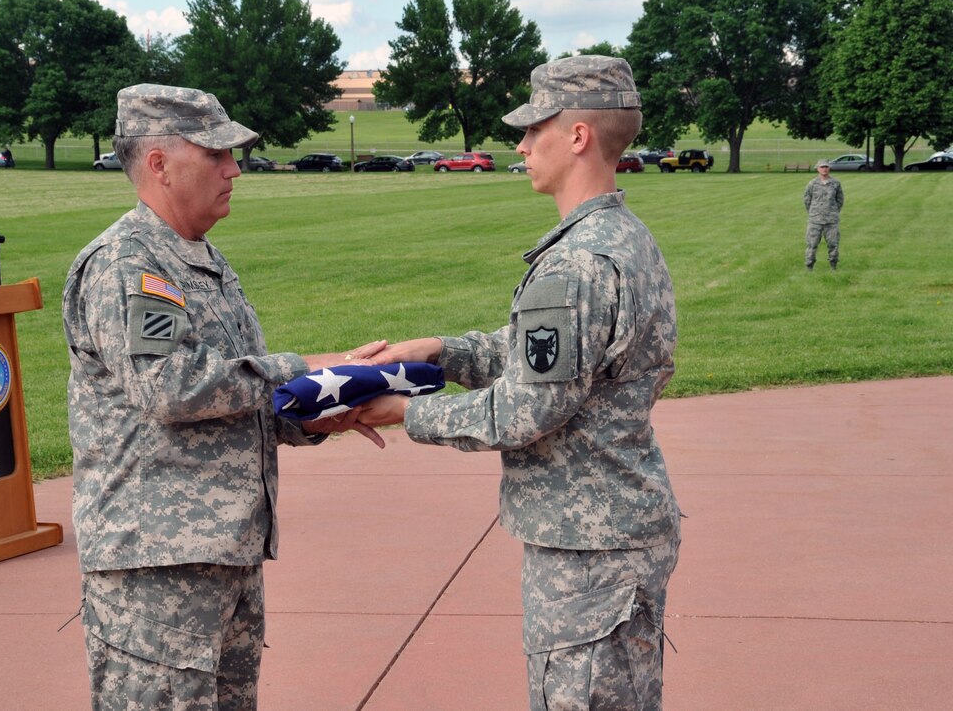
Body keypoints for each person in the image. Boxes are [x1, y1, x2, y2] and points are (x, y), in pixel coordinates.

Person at [355, 55, 682, 710]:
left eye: (536, 128)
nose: (522, 144)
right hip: (613, 531)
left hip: (587, 545)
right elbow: (541, 357)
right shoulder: (622, 238)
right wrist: (443, 353)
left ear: (579, 136)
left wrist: (406, 413)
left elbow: (527, 408)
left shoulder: (577, 264)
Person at [62, 83, 382, 710]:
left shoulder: (199, 259)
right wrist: (304, 365)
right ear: (158, 163)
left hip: (221, 553)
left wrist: (314, 413)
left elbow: (233, 389)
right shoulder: (128, 263)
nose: (234, 168)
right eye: (215, 154)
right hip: (156, 567)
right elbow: (171, 387)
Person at [803, 159, 844, 271]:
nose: (824, 169)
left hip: (831, 220)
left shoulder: (835, 183)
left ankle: (833, 266)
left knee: (833, 244)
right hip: (815, 220)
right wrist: (814, 212)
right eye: (822, 167)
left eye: (826, 166)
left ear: (829, 168)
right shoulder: (812, 184)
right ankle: (809, 267)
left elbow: (840, 200)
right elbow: (807, 200)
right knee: (812, 245)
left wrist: (833, 211)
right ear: (817, 168)